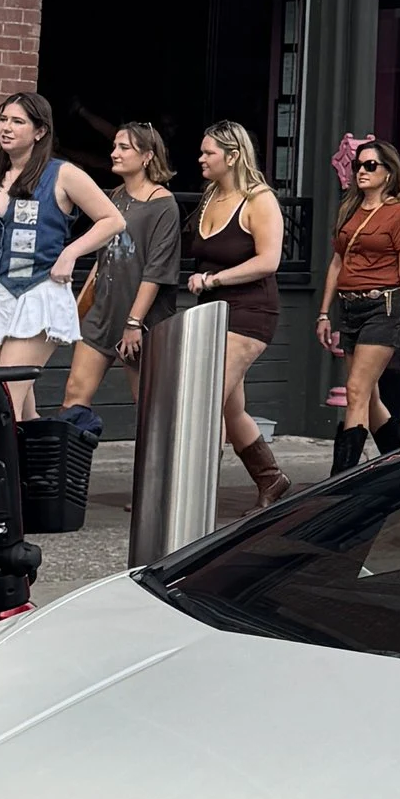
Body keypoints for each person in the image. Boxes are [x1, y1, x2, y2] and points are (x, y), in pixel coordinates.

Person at [0, 90, 124, 421]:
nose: (6, 127)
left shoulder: (61, 173)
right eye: (3, 119)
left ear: (39, 131)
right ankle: (40, 470)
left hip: (38, 293)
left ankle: (3, 473)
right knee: (17, 406)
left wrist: (70, 253)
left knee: (1, 401)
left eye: (17, 121)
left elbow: (113, 220)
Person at [183, 118, 291, 509]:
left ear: (232, 156)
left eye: (208, 152)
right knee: (231, 407)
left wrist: (214, 280)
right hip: (210, 312)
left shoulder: (259, 199)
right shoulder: (210, 195)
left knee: (205, 397)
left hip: (250, 311)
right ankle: (272, 478)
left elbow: (269, 260)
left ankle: (192, 493)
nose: (201, 158)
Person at [314, 137, 400, 471]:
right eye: (357, 165)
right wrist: (323, 312)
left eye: (370, 165)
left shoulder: (399, 215)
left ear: (389, 173)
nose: (361, 171)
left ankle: (341, 480)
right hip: (349, 307)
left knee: (356, 390)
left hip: (383, 307)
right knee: (369, 396)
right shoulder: (349, 210)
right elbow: (336, 263)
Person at [63, 122, 182, 421]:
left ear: (147, 156)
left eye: (124, 147)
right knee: (74, 393)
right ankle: (67, 465)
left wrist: (133, 323)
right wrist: (79, 307)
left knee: (147, 406)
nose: (114, 153)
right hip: (103, 312)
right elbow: (103, 257)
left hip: (142, 319)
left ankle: (156, 468)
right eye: (115, 146)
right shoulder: (115, 196)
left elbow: (156, 270)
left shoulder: (164, 205)